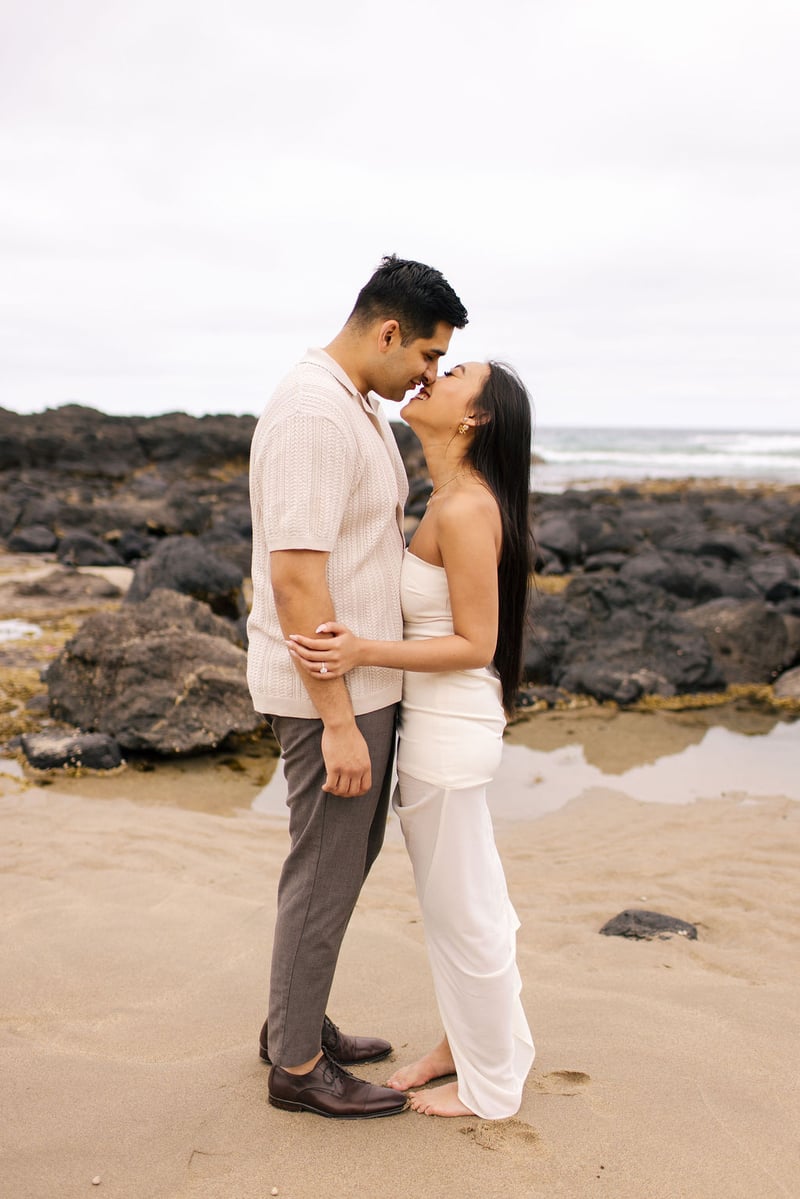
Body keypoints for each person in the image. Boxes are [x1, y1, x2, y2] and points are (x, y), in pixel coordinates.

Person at [246, 255, 468, 1119]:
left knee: (336, 860)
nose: (431, 375)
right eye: (426, 356)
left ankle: (291, 1020)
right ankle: (298, 1067)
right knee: (327, 869)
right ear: (387, 332)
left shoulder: (351, 405)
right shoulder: (312, 413)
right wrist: (337, 720)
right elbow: (298, 578)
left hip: (355, 685)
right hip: (327, 695)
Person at [287, 359, 536, 1119]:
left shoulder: (465, 509)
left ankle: (492, 1084)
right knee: (465, 898)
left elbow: (474, 642)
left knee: (465, 911)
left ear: (475, 417)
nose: (434, 375)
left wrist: (362, 650)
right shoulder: (448, 497)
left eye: (454, 373)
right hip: (441, 725)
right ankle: (461, 1045)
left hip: (450, 729)